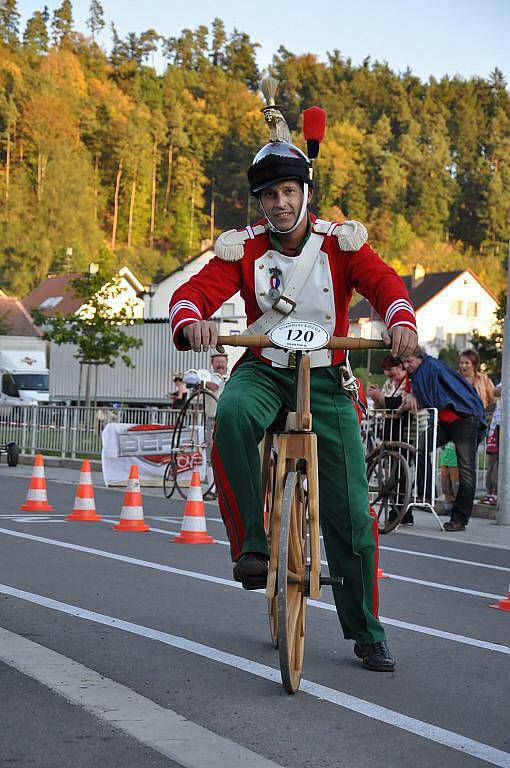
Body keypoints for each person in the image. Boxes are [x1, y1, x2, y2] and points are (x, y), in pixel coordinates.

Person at [169, 92, 418, 672]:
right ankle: (252, 547)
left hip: (329, 376)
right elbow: (192, 295)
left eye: (289, 193)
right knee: (230, 416)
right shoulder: (245, 247)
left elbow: (386, 284)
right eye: (269, 196)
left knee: (353, 514)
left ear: (306, 193)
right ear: (258, 201)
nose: (280, 204)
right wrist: (192, 323)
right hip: (264, 368)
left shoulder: (340, 243)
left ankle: (365, 630)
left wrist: (400, 322)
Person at [401, 347, 486, 531]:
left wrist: (417, 397)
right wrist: (414, 395)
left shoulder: (431, 366)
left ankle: (459, 518)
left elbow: (432, 395)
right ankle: (426, 494)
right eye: (404, 362)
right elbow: (425, 393)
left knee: (466, 471)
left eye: (410, 361)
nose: (407, 366)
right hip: (445, 421)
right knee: (420, 448)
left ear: (419, 358)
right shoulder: (419, 372)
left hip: (465, 418)